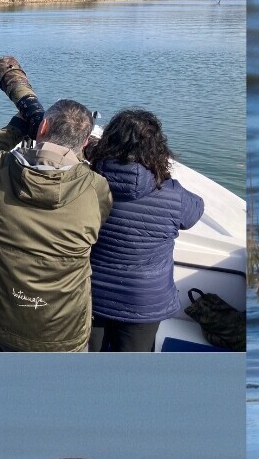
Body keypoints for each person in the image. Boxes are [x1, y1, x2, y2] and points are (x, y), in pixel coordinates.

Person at [0, 98, 112, 351]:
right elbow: (98, 221)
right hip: (62, 329)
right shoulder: (96, 187)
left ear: (42, 128)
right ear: (84, 143)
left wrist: (14, 128)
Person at [85, 109, 205, 352]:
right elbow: (195, 211)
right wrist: (166, 178)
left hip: (91, 295)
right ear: (158, 148)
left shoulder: (86, 184)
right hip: (145, 303)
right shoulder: (173, 196)